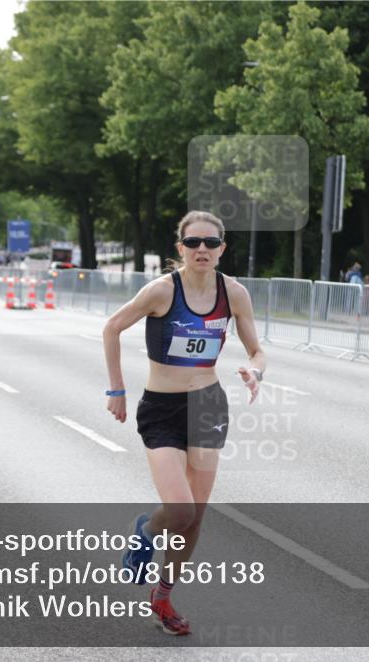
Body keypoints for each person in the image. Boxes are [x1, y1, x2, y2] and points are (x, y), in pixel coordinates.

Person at [103, 211, 265, 636]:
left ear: (222, 249)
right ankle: (145, 528)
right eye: (193, 243)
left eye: (211, 243)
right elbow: (112, 328)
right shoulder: (160, 291)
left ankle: (164, 595)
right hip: (161, 407)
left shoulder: (234, 294)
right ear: (180, 248)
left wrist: (255, 370)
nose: (202, 250)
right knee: (179, 508)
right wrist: (116, 390)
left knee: (195, 516)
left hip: (208, 405)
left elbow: (257, 350)